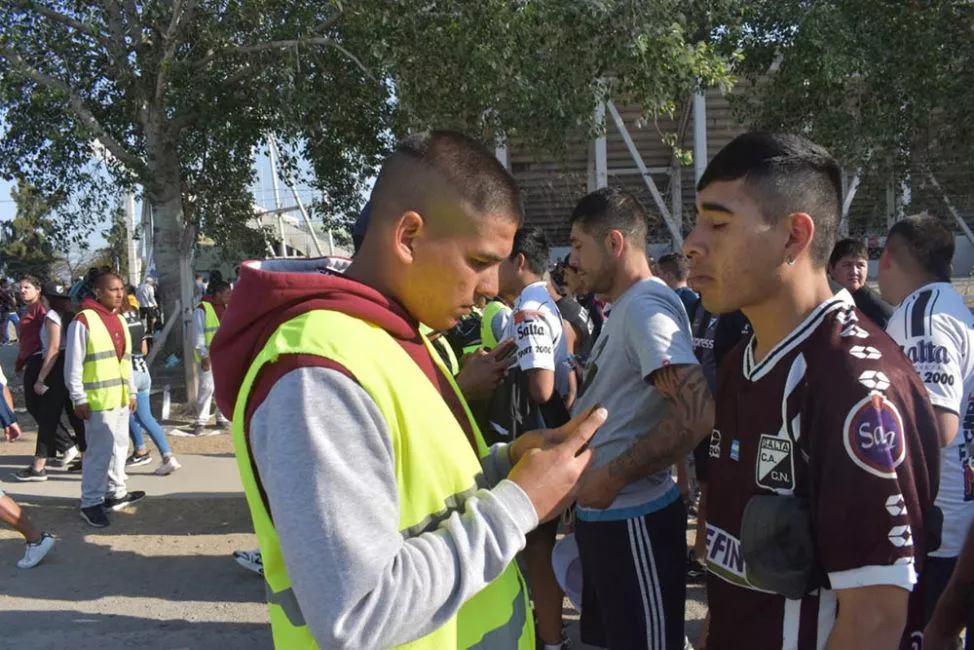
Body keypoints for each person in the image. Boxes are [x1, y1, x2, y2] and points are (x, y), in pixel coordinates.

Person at [210, 130, 605, 649]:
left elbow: (417, 495)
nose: (491, 288)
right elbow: (359, 613)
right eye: (480, 262)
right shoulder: (315, 373)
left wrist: (506, 465)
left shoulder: (401, 335)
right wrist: (518, 503)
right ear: (409, 236)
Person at [684, 131, 939, 650]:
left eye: (717, 223)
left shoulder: (853, 388)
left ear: (794, 237)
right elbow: (734, 573)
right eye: (697, 221)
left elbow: (874, 620)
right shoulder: (740, 365)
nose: (692, 242)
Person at [567, 187, 713, 650]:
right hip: (609, 521)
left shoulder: (646, 307)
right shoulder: (626, 307)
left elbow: (696, 415)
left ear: (614, 243)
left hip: (633, 522)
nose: (572, 261)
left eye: (577, 246)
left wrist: (611, 477)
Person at [878, 213, 974, 648]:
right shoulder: (955, 309)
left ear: (888, 258)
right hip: (956, 516)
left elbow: (938, 426)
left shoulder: (922, 319)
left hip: (934, 524)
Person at [496, 226, 573, 650]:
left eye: (500, 260)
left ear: (519, 261)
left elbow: (541, 386)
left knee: (536, 552)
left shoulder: (528, 309)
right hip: (548, 431)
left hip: (534, 434)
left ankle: (548, 638)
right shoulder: (546, 302)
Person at [65, 270, 145, 528]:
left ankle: (116, 492)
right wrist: (78, 397)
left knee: (120, 447)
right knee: (99, 454)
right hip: (97, 401)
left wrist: (131, 392)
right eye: (113, 289)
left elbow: (125, 361)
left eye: (121, 288)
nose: (119, 293)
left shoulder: (119, 319)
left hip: (120, 398)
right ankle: (91, 502)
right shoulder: (83, 321)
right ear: (98, 292)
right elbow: (73, 365)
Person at [15, 283, 86, 481]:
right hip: (70, 366)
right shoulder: (71, 315)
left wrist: (40, 378)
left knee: (48, 417)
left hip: (57, 369)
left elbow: (54, 349)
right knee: (75, 417)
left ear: (45, 297)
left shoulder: (52, 317)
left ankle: (38, 467)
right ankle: (87, 460)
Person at [120, 295, 181, 476]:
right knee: (145, 417)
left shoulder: (115, 320)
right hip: (143, 371)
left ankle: (140, 449)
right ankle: (166, 455)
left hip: (128, 371)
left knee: (127, 414)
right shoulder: (136, 317)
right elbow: (145, 348)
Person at [191, 280, 231, 436]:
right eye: (227, 293)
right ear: (218, 294)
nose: (230, 296)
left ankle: (221, 418)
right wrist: (204, 356)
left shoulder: (227, 308)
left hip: (224, 355)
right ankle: (201, 420)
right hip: (209, 356)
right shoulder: (202, 310)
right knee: (207, 388)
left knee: (223, 388)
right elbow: (198, 336)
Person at [828, 238, 894, 328]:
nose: (854, 271)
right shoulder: (825, 302)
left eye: (860, 265)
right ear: (831, 268)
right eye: (847, 265)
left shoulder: (878, 311)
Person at [657, 251, 701, 318]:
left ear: (668, 276)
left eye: (658, 274)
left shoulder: (670, 302)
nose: (656, 278)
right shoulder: (698, 299)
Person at [0, 278, 19, 345]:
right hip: (10, 311)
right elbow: (14, 301)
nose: (8, 284)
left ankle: (5, 340)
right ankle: (20, 338)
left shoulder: (3, 291)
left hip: (5, 311)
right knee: (17, 324)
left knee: (4, 326)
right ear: (4, 284)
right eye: (7, 283)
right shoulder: (10, 291)